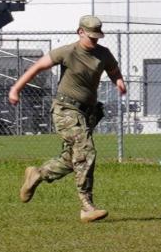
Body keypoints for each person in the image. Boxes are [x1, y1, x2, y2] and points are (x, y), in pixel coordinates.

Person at [11, 15, 127, 223]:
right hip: (66, 109)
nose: (94, 41)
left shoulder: (103, 54)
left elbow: (113, 71)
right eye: (90, 36)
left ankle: (37, 174)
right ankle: (86, 206)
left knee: (72, 159)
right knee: (86, 151)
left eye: (97, 37)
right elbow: (37, 67)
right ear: (80, 32)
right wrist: (16, 89)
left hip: (87, 113)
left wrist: (119, 82)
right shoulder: (67, 52)